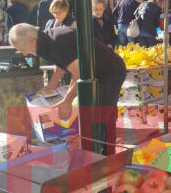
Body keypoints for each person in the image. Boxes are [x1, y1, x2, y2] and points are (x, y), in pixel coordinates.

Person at [9, 24, 126, 153]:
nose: (24, 53)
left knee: (98, 118)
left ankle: (102, 154)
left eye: (23, 49)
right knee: (99, 115)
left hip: (109, 73)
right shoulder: (45, 40)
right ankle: (104, 153)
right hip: (98, 72)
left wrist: (67, 100)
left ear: (32, 41)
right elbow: (61, 62)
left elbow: (80, 73)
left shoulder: (55, 44)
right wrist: (52, 84)